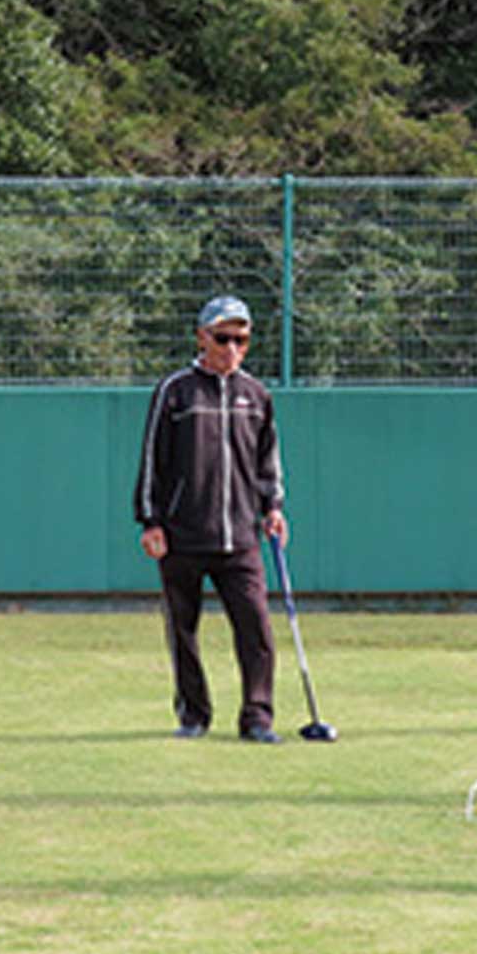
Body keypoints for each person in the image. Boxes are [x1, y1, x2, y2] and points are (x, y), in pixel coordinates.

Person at [134, 295, 288, 744]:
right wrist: (150, 521)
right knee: (183, 630)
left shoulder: (257, 396)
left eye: (241, 339)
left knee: (256, 628)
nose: (232, 348)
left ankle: (257, 717)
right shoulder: (176, 391)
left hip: (241, 537)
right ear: (202, 337)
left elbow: (268, 461)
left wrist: (273, 507)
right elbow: (151, 461)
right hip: (182, 534)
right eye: (223, 338)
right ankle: (194, 715)